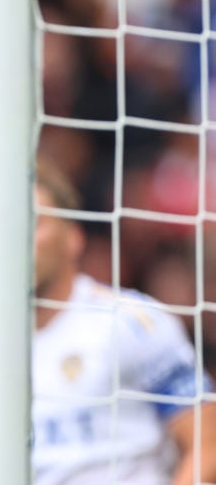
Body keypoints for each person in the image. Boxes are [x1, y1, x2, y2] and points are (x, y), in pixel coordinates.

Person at [32, 157, 216, 484]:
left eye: (35, 223)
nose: (20, 239)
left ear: (74, 237)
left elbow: (207, 443)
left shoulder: (130, 322)